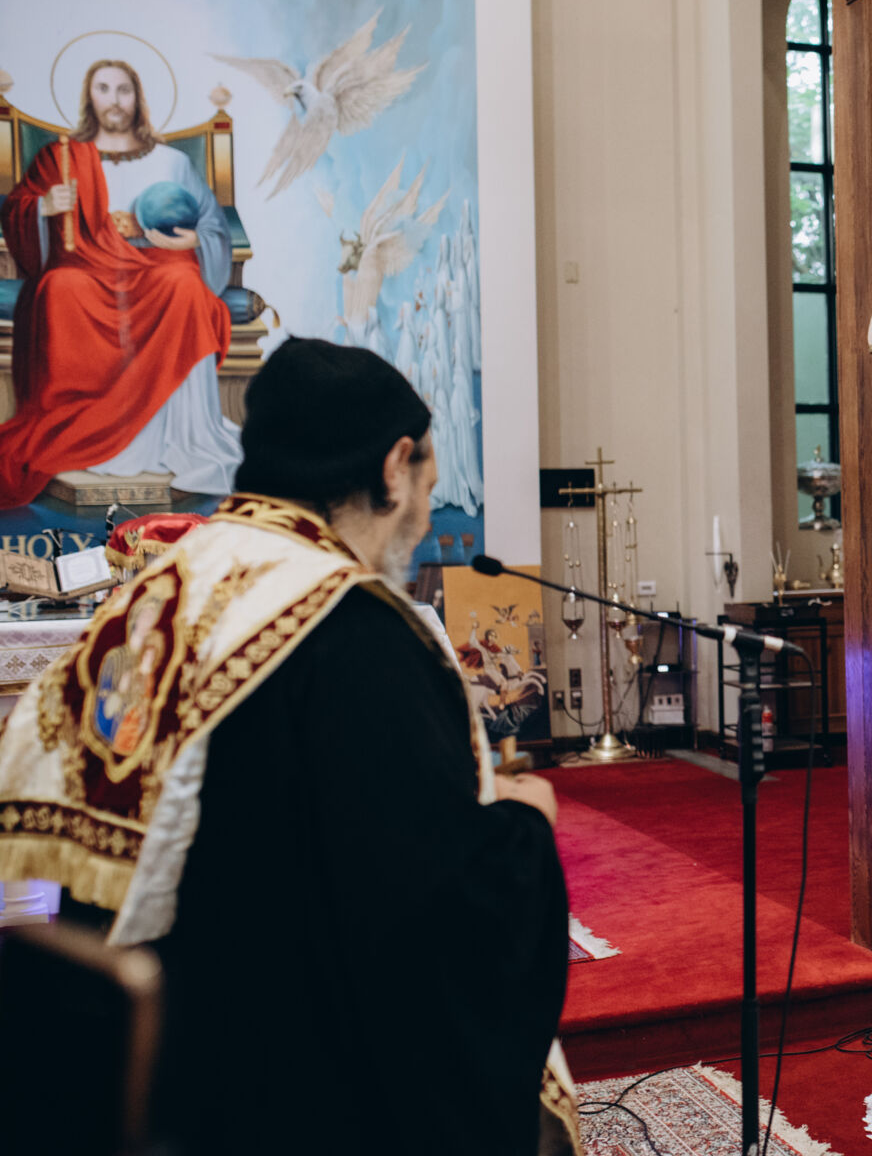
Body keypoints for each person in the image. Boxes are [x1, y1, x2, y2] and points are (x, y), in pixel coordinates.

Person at [0, 338, 576, 1155]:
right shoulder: (354, 631)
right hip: (282, 1083)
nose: (421, 521)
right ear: (394, 467)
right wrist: (526, 829)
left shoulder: (160, 589)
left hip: (126, 1060)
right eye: (426, 490)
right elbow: (431, 914)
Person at [0, 58, 242, 507]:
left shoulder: (172, 162)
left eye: (124, 90)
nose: (114, 100)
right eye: (104, 89)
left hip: (157, 263)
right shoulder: (62, 158)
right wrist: (45, 206)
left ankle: (180, 440)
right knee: (60, 288)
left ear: (138, 99)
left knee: (185, 286)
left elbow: (212, 226)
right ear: (89, 98)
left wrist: (191, 239)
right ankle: (79, 427)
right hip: (86, 266)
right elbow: (18, 210)